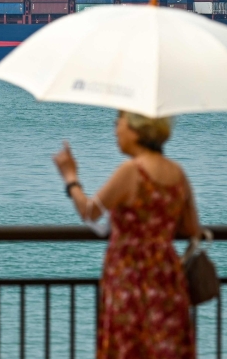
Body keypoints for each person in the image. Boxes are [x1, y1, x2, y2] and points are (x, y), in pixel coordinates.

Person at [53, 110, 200, 359]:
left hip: (129, 275)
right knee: (165, 345)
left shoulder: (131, 171)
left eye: (117, 123)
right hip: (166, 275)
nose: (114, 131)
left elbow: (90, 212)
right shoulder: (177, 173)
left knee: (128, 345)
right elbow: (191, 228)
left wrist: (70, 177)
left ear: (136, 129)